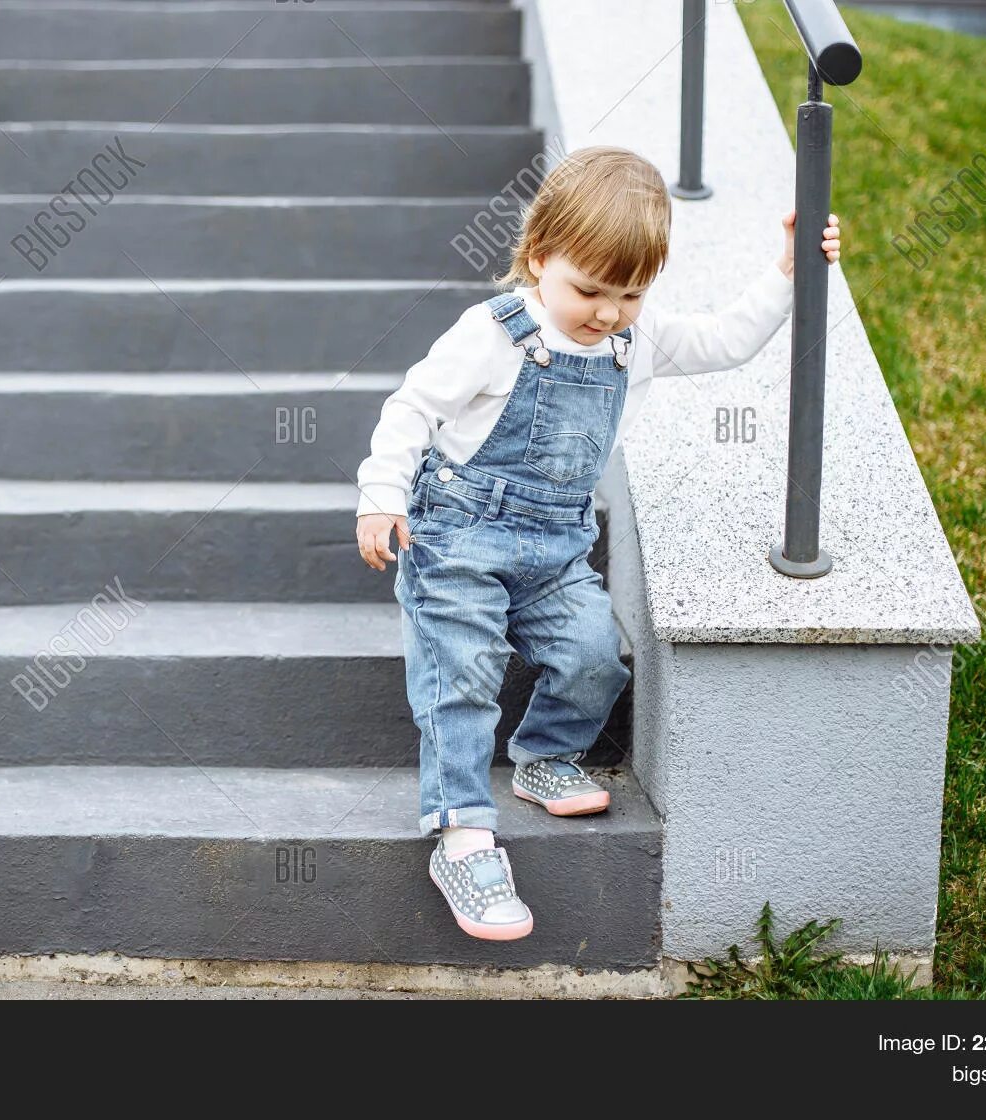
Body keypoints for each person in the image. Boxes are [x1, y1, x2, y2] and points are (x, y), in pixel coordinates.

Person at [354, 146, 843, 940]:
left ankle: (545, 755)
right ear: (539, 254)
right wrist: (380, 499)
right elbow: (410, 408)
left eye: (630, 294)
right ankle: (464, 835)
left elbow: (727, 340)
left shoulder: (633, 343)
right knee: (465, 671)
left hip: (553, 551)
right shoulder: (493, 333)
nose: (607, 312)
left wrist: (790, 271)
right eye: (588, 290)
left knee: (594, 657)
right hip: (459, 541)